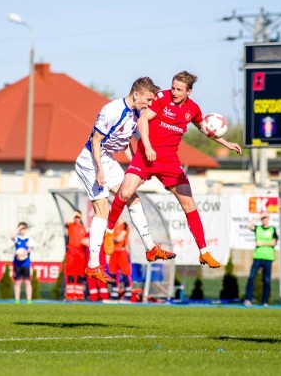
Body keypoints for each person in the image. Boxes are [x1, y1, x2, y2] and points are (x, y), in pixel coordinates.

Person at [105, 71, 242, 268]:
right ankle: (109, 232)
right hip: (146, 156)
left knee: (189, 205)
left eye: (179, 89)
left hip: (169, 161)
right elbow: (143, 120)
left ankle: (203, 252)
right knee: (125, 192)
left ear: (189, 92)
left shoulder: (193, 109)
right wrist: (148, 146)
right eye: (173, 87)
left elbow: (205, 129)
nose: (175, 92)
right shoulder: (162, 98)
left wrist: (225, 142)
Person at [76, 76, 176, 285]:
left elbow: (128, 144)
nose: (149, 104)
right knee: (102, 210)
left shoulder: (137, 114)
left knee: (132, 198)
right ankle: (93, 265)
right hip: (90, 160)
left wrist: (135, 168)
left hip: (108, 159)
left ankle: (150, 248)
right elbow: (96, 141)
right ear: (136, 94)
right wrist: (100, 171)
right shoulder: (111, 110)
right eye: (148, 100)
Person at [244, 212, 278, 306]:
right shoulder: (258, 228)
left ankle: (265, 301)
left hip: (268, 257)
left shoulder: (272, 229)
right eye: (263, 218)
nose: (264, 220)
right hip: (258, 257)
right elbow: (248, 225)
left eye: (266, 218)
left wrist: (262, 243)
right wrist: (258, 217)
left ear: (269, 219)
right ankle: (248, 299)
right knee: (251, 278)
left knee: (266, 280)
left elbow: (274, 242)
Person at [64, 211, 89, 300]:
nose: (77, 218)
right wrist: (74, 213)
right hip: (71, 251)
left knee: (79, 274)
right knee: (70, 273)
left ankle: (78, 294)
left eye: (79, 217)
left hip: (80, 252)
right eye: (76, 217)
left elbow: (86, 239)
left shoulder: (83, 228)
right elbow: (67, 221)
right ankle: (70, 294)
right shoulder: (71, 226)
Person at [108, 219, 133, 301]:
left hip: (122, 252)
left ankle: (128, 295)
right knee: (113, 274)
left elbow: (118, 239)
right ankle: (114, 295)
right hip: (113, 252)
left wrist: (109, 240)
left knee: (125, 274)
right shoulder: (112, 226)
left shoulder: (124, 225)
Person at [11, 222, 34, 304]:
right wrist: (18, 228)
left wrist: (25, 252)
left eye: (24, 228)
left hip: (26, 263)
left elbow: (30, 249)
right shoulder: (17, 238)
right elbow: (12, 236)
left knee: (27, 281)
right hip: (17, 263)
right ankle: (17, 300)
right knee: (17, 281)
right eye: (21, 229)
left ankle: (29, 300)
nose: (22, 230)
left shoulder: (29, 239)